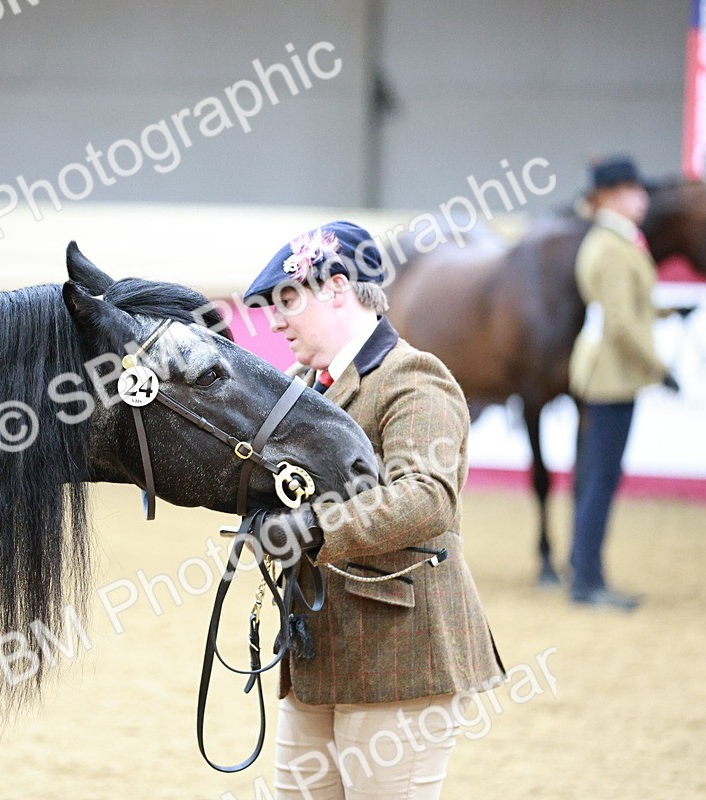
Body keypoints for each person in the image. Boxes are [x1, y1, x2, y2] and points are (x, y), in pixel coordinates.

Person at [244, 221, 505, 799]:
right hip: (317, 652)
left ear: (339, 288)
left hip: (399, 654)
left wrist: (311, 528)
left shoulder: (413, 377)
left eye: (288, 299)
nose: (275, 319)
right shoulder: (297, 387)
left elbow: (427, 497)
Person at [567, 156, 678, 610]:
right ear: (612, 195)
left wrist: (670, 313)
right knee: (601, 477)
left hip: (612, 374)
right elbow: (620, 324)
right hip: (612, 377)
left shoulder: (619, 240)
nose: (643, 198)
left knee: (599, 474)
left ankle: (584, 570)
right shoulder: (611, 247)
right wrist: (660, 368)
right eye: (635, 190)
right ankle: (587, 580)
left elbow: (630, 309)